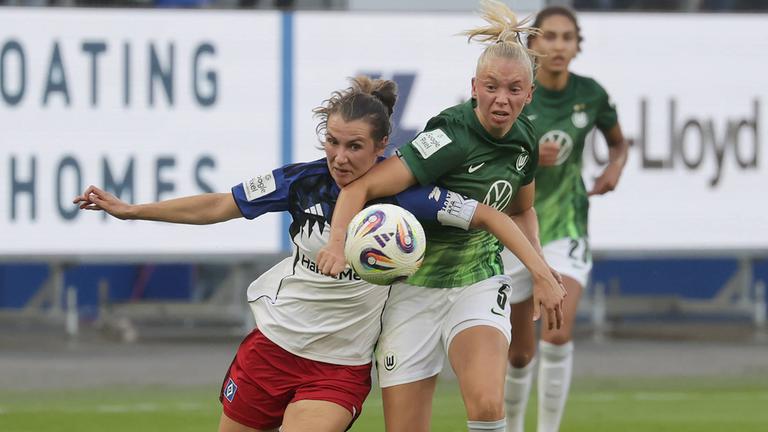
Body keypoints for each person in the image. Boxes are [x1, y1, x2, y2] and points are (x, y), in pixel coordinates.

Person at [72, 75, 561, 432]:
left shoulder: (407, 200)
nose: (339, 158)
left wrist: (541, 271)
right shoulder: (302, 180)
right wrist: (133, 210)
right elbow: (220, 205)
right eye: (332, 142)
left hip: (339, 368)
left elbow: (492, 215)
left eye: (355, 147)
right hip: (272, 348)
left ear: (382, 147)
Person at [316, 2, 567, 431]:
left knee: (487, 404)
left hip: (478, 280)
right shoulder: (449, 136)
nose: (501, 99)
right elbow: (361, 187)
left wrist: (541, 270)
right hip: (413, 288)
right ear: (474, 87)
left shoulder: (525, 139)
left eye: (514, 89)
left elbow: (522, 210)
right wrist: (337, 244)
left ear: (529, 94)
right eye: (491, 86)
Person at [503, 6, 629, 432]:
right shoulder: (516, 92)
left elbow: (618, 144)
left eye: (567, 37)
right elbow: (485, 156)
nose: (558, 46)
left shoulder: (590, 94)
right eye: (549, 36)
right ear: (532, 44)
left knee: (557, 332)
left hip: (567, 224)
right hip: (515, 230)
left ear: (577, 45)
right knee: (520, 353)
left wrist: (614, 167)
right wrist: (526, 157)